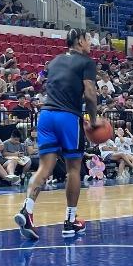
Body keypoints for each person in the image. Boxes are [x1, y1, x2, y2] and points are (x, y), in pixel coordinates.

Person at [14, 29, 99, 240]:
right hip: (67, 117)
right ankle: (70, 221)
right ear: (80, 40)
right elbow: (89, 92)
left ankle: (27, 208)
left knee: (45, 167)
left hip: (45, 115)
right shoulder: (86, 62)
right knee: (73, 169)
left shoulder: (53, 61)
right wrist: (94, 120)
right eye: (88, 39)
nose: (91, 43)